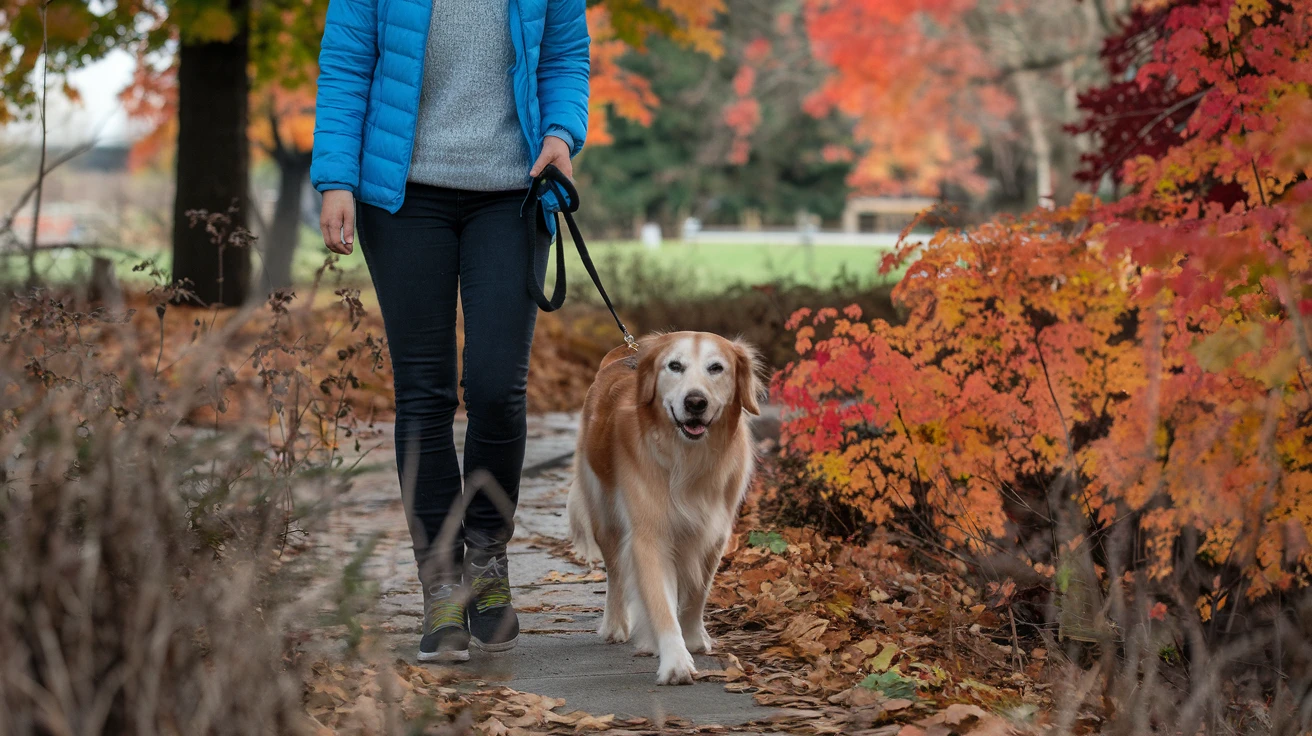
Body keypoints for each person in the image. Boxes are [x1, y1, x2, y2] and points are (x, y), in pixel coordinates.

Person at [310, 0, 590, 664]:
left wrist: (560, 132)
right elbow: (346, 65)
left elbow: (565, 56)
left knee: (496, 386)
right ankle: (442, 584)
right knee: (425, 393)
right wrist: (335, 179)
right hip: (402, 198)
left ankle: (488, 565)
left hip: (512, 192)